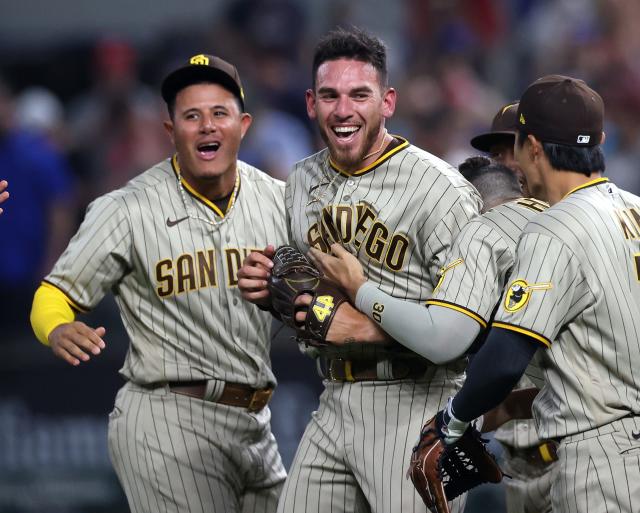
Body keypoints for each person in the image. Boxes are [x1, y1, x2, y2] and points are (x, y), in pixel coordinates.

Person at [30, 54, 288, 513]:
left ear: (243, 124)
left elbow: (320, 289)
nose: (207, 126)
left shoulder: (279, 200)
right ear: (171, 131)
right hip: (168, 417)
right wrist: (56, 326)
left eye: (219, 113)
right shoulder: (126, 208)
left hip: (256, 424)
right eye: (192, 116)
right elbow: (53, 295)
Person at [238, 27, 481, 513]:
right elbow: (312, 304)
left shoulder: (440, 190)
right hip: (333, 396)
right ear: (311, 103)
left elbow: (466, 331)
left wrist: (368, 325)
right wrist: (274, 292)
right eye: (329, 95)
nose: (343, 110)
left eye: (359, 95)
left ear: (387, 101)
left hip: (419, 402)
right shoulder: (303, 179)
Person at [436, 75, 640, 513]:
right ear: (600, 141)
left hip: (601, 459)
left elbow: (506, 357)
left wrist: (452, 419)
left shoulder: (555, 227)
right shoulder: (635, 209)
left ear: (531, 147)